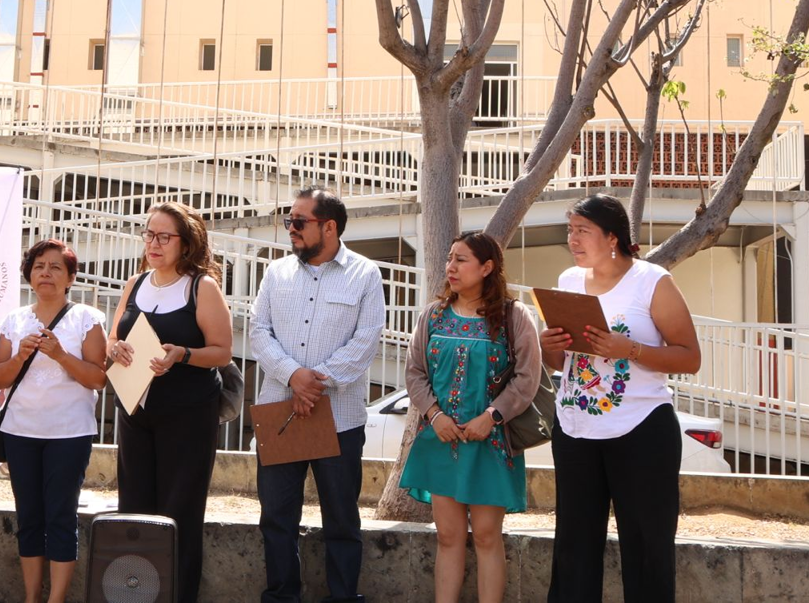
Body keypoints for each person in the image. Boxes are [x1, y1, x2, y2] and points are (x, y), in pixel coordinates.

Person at [543, 194, 701, 603]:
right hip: (576, 428)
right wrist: (549, 347)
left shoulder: (651, 281)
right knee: (573, 546)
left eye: (583, 231)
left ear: (612, 237)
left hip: (642, 429)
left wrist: (628, 349)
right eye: (569, 230)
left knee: (647, 547)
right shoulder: (568, 281)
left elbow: (690, 357)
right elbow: (565, 362)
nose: (572, 240)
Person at [250, 188, 385, 603]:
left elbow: (366, 341)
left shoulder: (366, 274)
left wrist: (314, 384)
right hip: (280, 412)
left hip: (340, 418)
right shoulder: (275, 273)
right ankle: (281, 597)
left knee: (342, 521)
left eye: (299, 222)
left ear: (329, 227)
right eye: (289, 220)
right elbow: (258, 331)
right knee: (276, 518)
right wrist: (294, 376)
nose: (291, 229)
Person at [399, 232, 542, 603]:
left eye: (461, 259)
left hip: (492, 444)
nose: (451, 266)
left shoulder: (514, 316)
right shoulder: (433, 315)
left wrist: (491, 417)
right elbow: (415, 373)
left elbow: (529, 378)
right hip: (441, 440)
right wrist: (434, 415)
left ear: (487, 267)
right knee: (447, 536)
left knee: (486, 536)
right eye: (449, 258)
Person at [107, 201, 233, 603]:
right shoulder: (135, 282)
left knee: (178, 513)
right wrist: (116, 348)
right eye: (149, 233)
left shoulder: (202, 286)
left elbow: (223, 352)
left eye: (164, 236)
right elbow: (111, 339)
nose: (153, 243)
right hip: (135, 411)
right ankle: (136, 594)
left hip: (188, 416)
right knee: (134, 508)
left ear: (186, 242)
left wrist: (182, 354)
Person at [0, 239, 107, 603]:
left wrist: (59, 354)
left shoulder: (87, 318)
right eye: (40, 265)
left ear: (70, 277)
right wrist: (19, 357)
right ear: (29, 274)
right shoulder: (15, 320)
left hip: (70, 433)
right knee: (29, 516)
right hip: (20, 431)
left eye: (56, 267)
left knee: (61, 514)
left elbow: (98, 377)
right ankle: (31, 596)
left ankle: (55, 599)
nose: (46, 273)